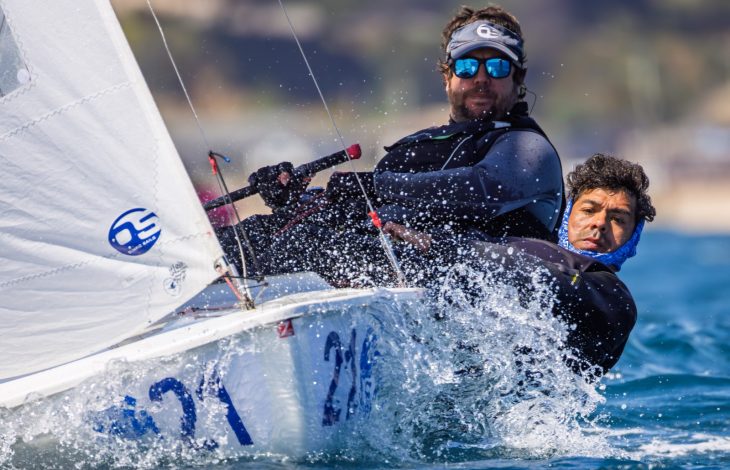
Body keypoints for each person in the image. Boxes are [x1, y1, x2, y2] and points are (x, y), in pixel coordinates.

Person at [217, 4, 564, 284]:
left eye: (499, 67)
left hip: (450, 279)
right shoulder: (418, 146)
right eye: (468, 66)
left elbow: (483, 189)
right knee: (237, 240)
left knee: (310, 245)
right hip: (375, 263)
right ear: (447, 76)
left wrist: (375, 184)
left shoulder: (528, 148)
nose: (482, 78)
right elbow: (363, 208)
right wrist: (291, 199)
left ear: (519, 79)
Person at [385, 153, 657, 374]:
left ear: (634, 235)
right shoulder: (522, 243)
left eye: (618, 219)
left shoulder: (613, 299)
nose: (599, 223)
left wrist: (442, 248)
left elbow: (544, 279)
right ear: (568, 215)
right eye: (588, 210)